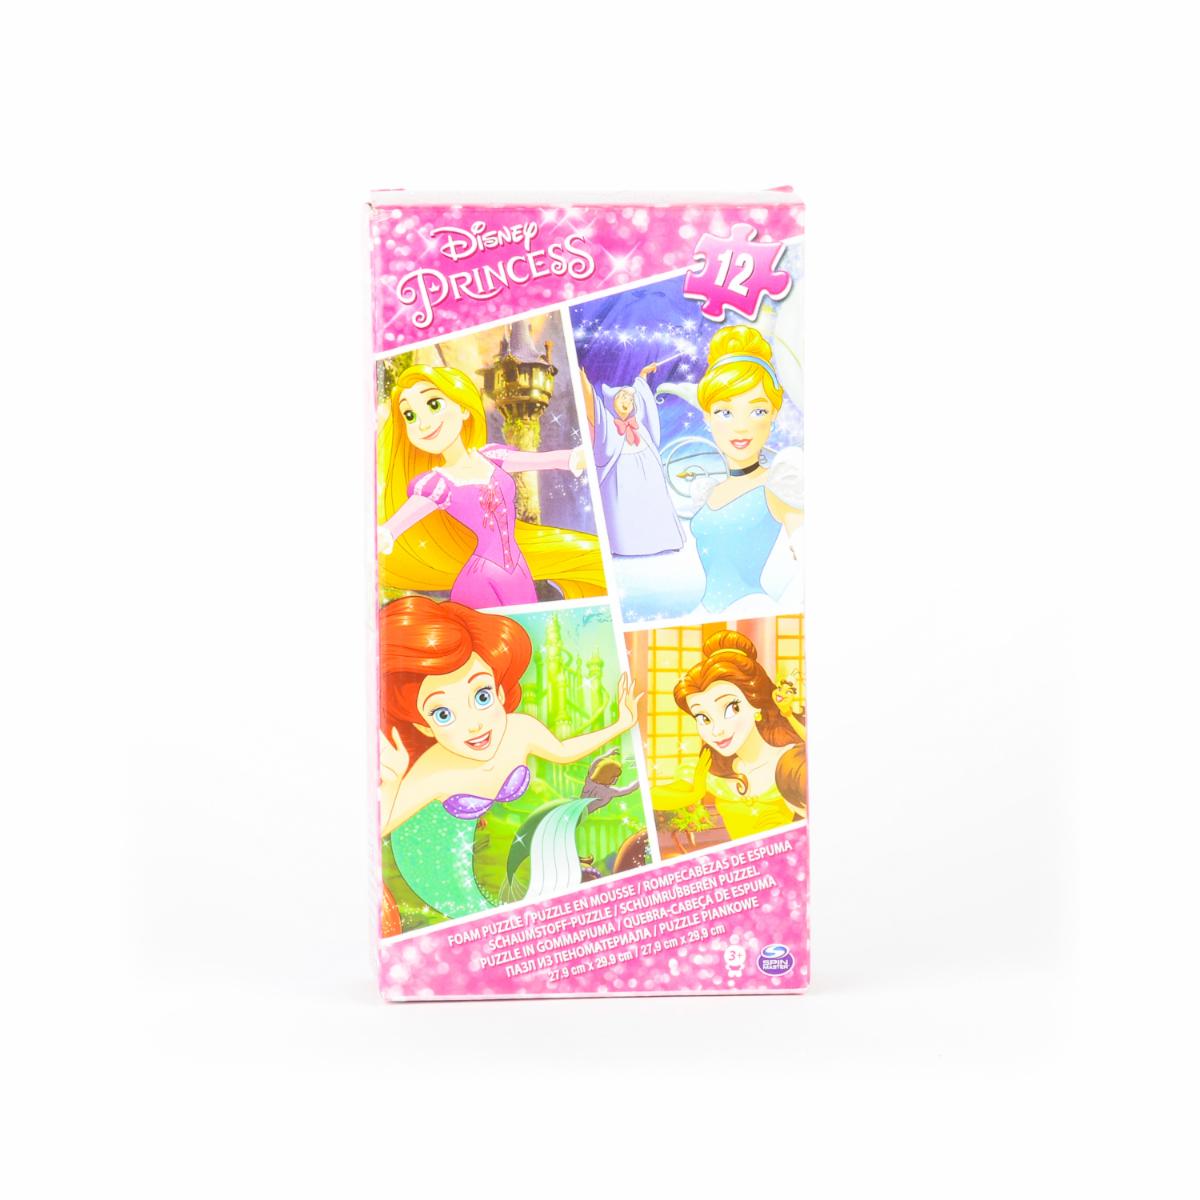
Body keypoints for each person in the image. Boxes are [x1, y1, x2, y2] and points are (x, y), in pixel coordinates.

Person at [378, 597, 643, 923]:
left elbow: (562, 750)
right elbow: (381, 825)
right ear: (424, 727)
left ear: (500, 692)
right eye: (443, 714)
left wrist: (620, 725)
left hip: (490, 853)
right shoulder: (434, 772)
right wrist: (392, 783)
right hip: (434, 860)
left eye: (482, 696)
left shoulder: (520, 730)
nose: (474, 724)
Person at [377, 364, 605, 605]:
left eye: (434, 404)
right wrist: (383, 535)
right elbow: (394, 527)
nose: (423, 423)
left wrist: (578, 456)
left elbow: (544, 460)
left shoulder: (491, 456)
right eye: (410, 416)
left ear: (464, 409)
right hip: (480, 581)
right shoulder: (436, 485)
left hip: (518, 572)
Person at [580, 361, 684, 556]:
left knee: (653, 505)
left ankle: (663, 540)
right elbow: (591, 405)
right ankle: (627, 546)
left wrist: (642, 375)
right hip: (622, 482)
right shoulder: (607, 424)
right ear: (612, 401)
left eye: (630, 398)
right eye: (622, 396)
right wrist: (583, 380)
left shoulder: (640, 425)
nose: (627, 400)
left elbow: (642, 396)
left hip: (649, 480)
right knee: (628, 509)